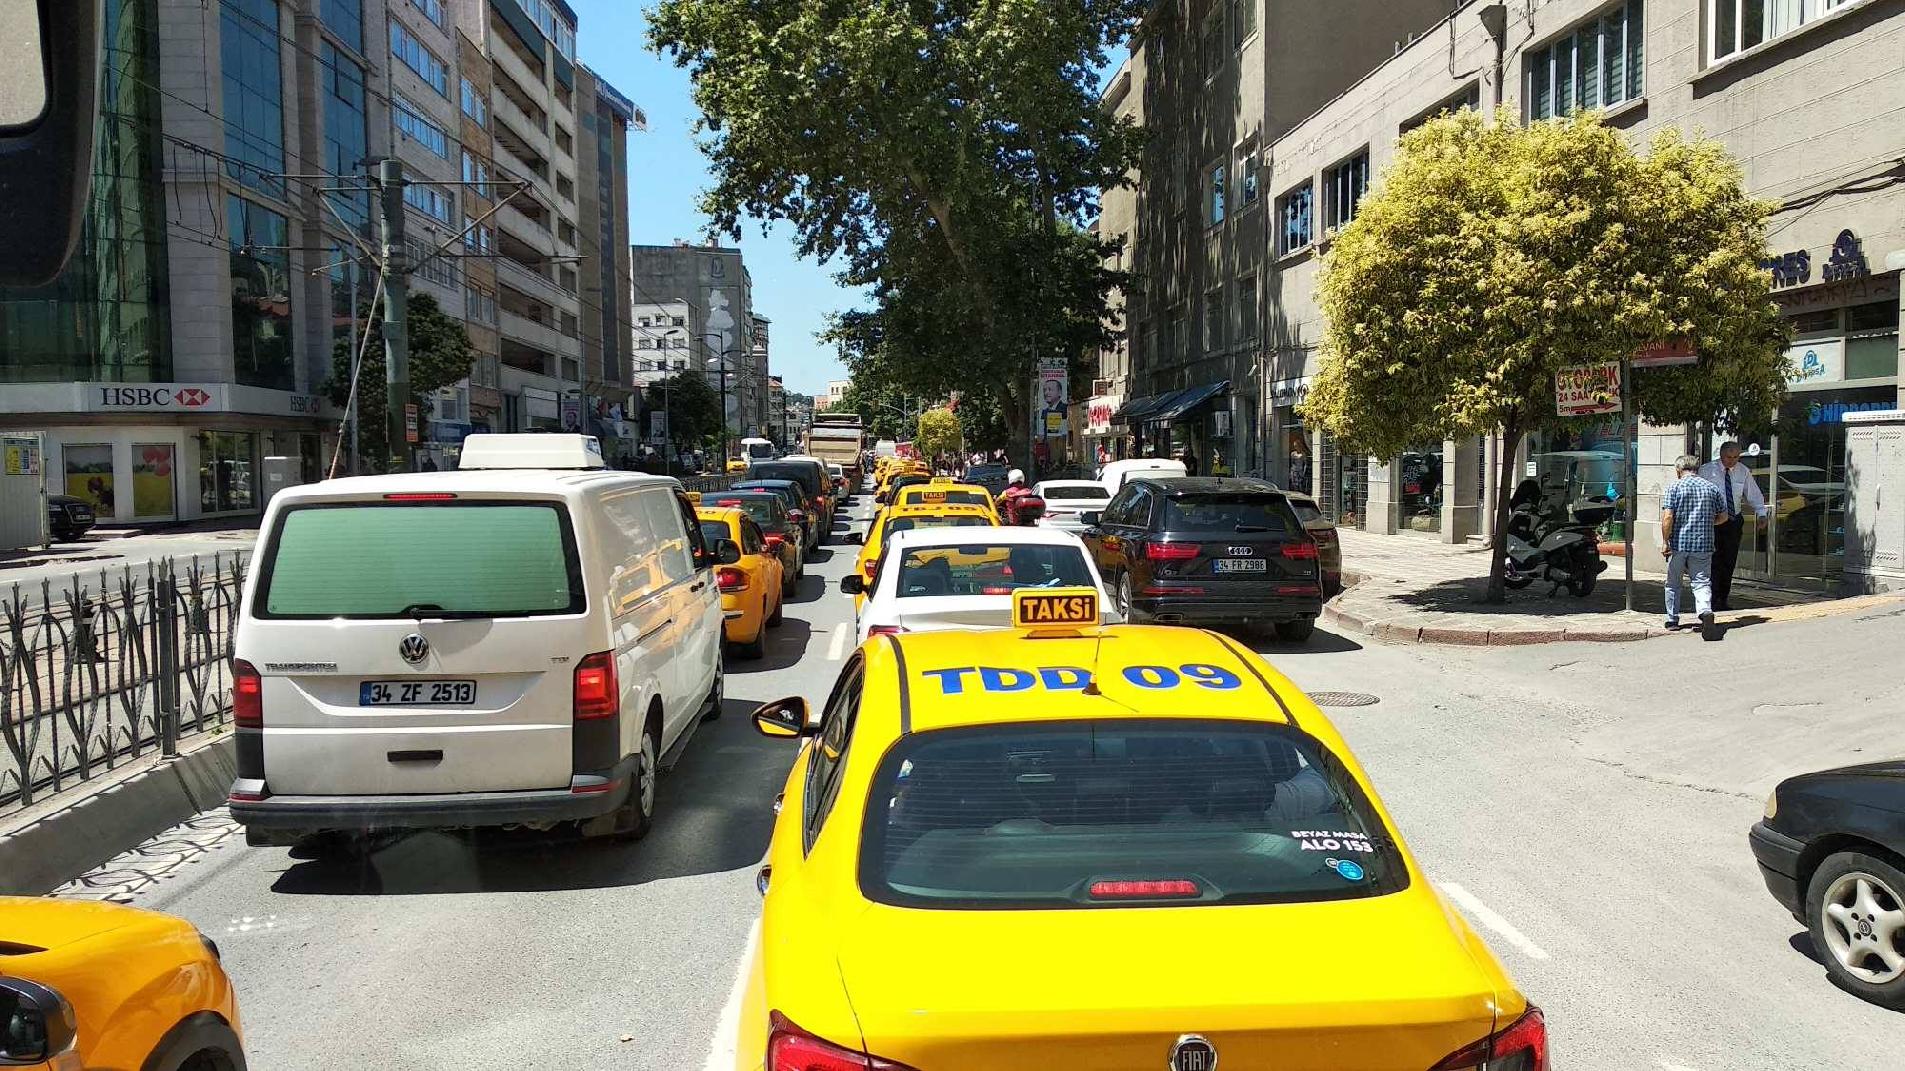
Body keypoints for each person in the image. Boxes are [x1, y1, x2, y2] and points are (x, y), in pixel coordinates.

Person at [1661, 453, 1729, 638]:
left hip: (1678, 543)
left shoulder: (1674, 487)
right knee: (1701, 581)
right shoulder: (1711, 488)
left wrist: (1665, 541)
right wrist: (1708, 523)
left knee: (1673, 583)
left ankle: (1672, 620)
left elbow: (1668, 517)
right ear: (1696, 469)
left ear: (1678, 470)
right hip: (1703, 543)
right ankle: (1705, 611)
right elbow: (1724, 516)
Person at [1697, 441, 1768, 611]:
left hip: (1733, 520)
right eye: (1729, 457)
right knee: (1713, 561)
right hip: (1712, 521)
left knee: (1729, 560)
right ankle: (1710, 600)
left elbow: (1753, 494)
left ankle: (1723, 599)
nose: (1732, 460)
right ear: (1721, 455)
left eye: (1736, 457)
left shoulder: (1743, 471)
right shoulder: (1707, 470)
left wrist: (1761, 513)